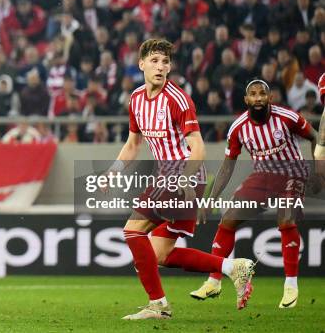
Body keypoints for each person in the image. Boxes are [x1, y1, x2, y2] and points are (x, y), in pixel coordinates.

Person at [117, 39, 255, 320]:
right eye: (154, 61)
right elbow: (133, 144)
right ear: (141, 64)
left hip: (182, 175)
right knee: (159, 256)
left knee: (133, 230)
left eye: (165, 62)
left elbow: (199, 148)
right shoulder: (135, 99)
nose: (160, 67)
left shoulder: (178, 99)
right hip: (170, 177)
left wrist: (184, 181)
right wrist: (112, 171)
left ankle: (158, 305)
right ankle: (232, 268)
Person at [191, 80, 317, 309]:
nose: (258, 98)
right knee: (228, 218)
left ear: (270, 98)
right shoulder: (238, 127)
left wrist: (319, 171)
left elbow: (315, 136)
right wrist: (210, 198)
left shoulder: (287, 117)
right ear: (246, 100)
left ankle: (291, 286)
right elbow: (228, 165)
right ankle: (213, 281)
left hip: (293, 173)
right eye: (253, 94)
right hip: (263, 177)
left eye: (262, 94)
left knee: (286, 219)